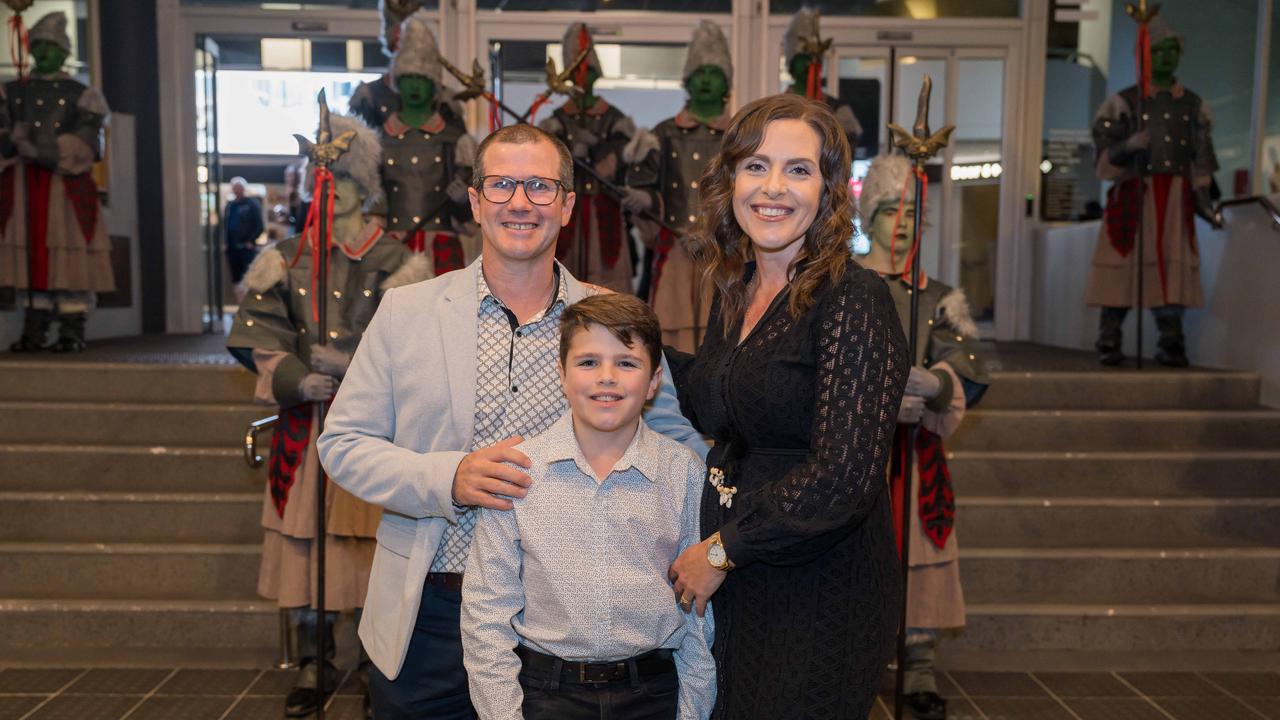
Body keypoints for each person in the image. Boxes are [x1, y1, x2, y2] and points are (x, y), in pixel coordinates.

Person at [316, 123, 707, 720]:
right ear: (475, 201)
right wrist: (447, 478)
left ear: (569, 205)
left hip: (562, 632)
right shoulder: (407, 312)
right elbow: (342, 444)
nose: (519, 203)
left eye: (540, 186)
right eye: (500, 185)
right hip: (432, 609)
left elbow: (679, 452)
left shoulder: (612, 322)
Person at [667, 94, 908, 719]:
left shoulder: (854, 298)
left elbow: (843, 478)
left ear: (829, 190)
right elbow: (716, 405)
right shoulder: (738, 287)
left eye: (798, 170)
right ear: (730, 182)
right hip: (746, 573)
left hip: (818, 587)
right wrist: (626, 339)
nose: (773, 187)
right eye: (756, 166)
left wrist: (721, 551)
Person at [227, 111, 431, 719]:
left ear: (364, 187)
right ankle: (316, 658)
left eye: (343, 180)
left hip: (375, 431)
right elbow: (258, 336)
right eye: (324, 180)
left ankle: (377, 659)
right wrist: (294, 378)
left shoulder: (401, 261)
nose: (332, 190)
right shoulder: (282, 259)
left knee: (373, 545)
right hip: (306, 425)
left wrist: (352, 366)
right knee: (306, 544)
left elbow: (419, 342)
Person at [461, 293, 715, 720]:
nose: (607, 377)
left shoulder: (683, 472)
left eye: (627, 363)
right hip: (546, 694)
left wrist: (692, 711)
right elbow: (486, 610)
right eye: (588, 362)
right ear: (562, 375)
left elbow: (698, 614)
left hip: (653, 692)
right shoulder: (520, 470)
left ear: (653, 381)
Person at [859, 153, 992, 720]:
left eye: (912, 210)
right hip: (859, 452)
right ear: (869, 219)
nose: (903, 221)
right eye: (890, 210)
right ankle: (859, 660)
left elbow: (969, 368)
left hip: (916, 454)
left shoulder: (940, 297)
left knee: (919, 552)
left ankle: (917, 662)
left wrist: (934, 383)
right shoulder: (848, 287)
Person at [1087, 16, 1221, 367]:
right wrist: (1128, 145)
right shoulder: (1124, 103)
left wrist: (1206, 204)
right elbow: (1103, 162)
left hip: (1175, 199)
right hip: (1134, 195)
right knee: (1122, 266)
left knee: (1170, 268)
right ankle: (1109, 337)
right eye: (1157, 51)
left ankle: (1171, 340)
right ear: (1145, 55)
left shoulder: (1193, 107)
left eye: (1170, 51)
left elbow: (1201, 163)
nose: (1164, 58)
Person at [1, 11, 112, 353]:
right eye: (39, 46)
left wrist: (42, 149)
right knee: (29, 252)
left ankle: (71, 328)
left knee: (68, 251)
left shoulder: (82, 94)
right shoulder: (10, 93)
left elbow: (89, 145)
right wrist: (10, 139)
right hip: (23, 186)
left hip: (64, 187)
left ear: (64, 52)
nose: (45, 53)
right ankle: (34, 328)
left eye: (52, 47)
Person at [624, 20, 732, 352]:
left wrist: (718, 232)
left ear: (725, 80)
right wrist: (645, 199)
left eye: (714, 73)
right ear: (687, 80)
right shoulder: (664, 131)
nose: (706, 81)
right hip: (675, 251)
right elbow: (647, 182)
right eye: (700, 73)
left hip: (724, 252)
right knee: (672, 335)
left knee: (724, 332)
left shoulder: (739, 135)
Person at [538, 23, 638, 294]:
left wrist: (598, 149)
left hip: (605, 215)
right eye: (577, 74)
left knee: (609, 287)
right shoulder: (556, 123)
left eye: (588, 73)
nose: (583, 80)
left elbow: (620, 169)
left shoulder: (616, 121)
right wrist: (570, 153)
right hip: (568, 216)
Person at [376, 9, 475, 272]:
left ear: (434, 85)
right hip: (394, 248)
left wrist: (462, 201)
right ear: (399, 82)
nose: (416, 87)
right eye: (409, 79)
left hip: (442, 247)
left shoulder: (456, 141)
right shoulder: (380, 140)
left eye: (422, 79)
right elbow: (374, 208)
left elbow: (469, 219)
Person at [783, 8, 863, 155]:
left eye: (813, 59)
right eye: (803, 59)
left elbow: (846, 152)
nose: (809, 64)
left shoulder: (838, 108)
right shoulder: (777, 107)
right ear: (792, 65)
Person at [224, 177, 264, 286]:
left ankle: (248, 302)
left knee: (248, 276)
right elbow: (225, 225)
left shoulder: (252, 204)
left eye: (239, 188)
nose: (237, 190)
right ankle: (240, 301)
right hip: (232, 248)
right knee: (236, 278)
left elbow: (259, 225)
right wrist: (225, 242)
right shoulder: (230, 205)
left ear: (243, 189)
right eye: (235, 188)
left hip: (246, 248)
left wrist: (250, 241)